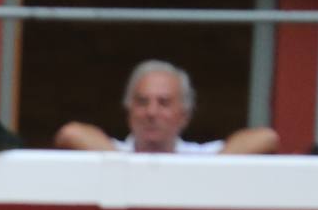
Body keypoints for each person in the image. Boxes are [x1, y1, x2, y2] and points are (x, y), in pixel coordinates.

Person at [54, 60, 278, 155]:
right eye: (142, 102)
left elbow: (267, 138)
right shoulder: (117, 153)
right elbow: (70, 134)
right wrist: (124, 164)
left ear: (184, 115)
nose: (151, 112)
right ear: (129, 111)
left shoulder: (198, 158)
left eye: (164, 103)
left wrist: (209, 172)